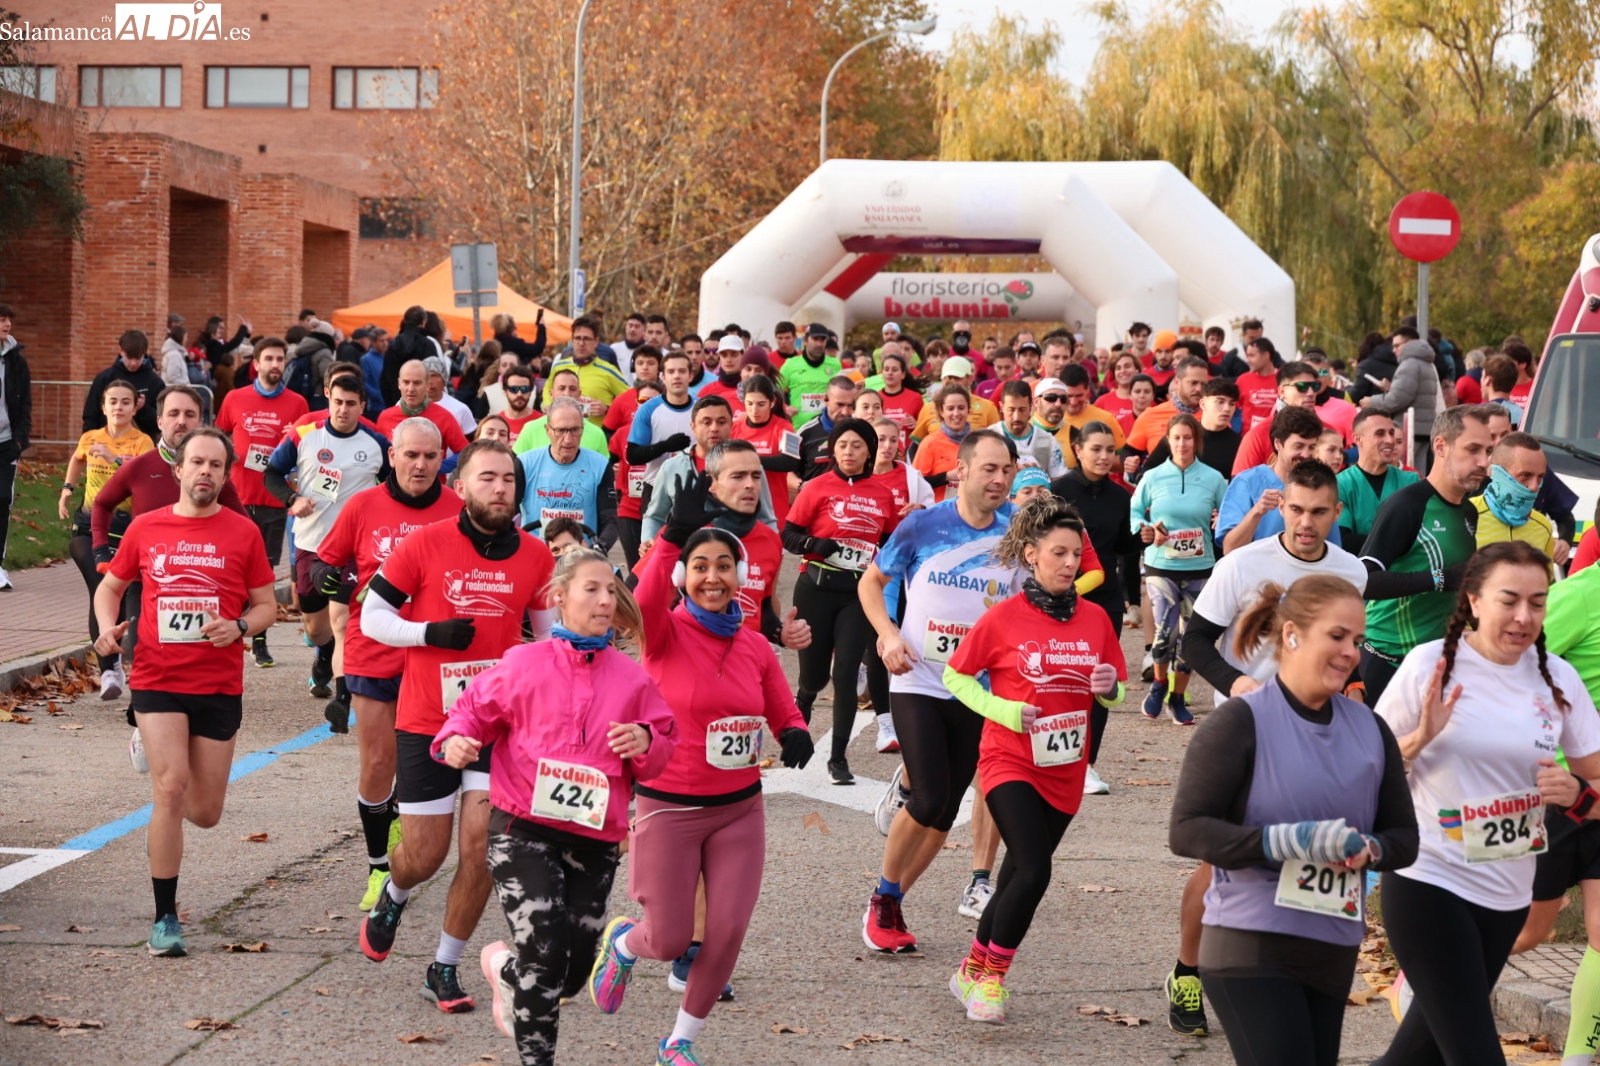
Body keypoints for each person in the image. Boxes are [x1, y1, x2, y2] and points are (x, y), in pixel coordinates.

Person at [428, 548, 676, 1066]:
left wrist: (647, 741)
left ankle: (507, 973)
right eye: (592, 589)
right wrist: (455, 742)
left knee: (574, 966)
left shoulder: (632, 680)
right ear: (559, 597)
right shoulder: (524, 663)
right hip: (522, 828)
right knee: (545, 947)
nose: (606, 600)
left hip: (594, 838)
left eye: (612, 590)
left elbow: (662, 750)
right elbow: (469, 713)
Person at [586, 511, 812, 1066]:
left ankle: (678, 1043)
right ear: (685, 575)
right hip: (670, 805)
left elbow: (778, 699)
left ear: (741, 575)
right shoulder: (662, 632)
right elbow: (644, 591)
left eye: (725, 567)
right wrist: (667, 541)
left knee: (726, 932)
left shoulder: (754, 643)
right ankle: (622, 943)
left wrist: (794, 730)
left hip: (739, 810)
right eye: (702, 567)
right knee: (666, 939)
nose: (714, 578)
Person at [1169, 574, 1417, 1063]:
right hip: (1251, 944)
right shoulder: (1240, 721)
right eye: (1337, 636)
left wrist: (1371, 849)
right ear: (1292, 635)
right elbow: (1187, 829)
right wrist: (1289, 841)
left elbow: (1404, 838)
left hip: (1332, 950)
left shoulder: (1371, 729)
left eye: (1358, 641)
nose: (1351, 652)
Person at [1372, 541, 1600, 1066]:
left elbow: (1594, 782)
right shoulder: (1431, 666)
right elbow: (1364, 769)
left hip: (1505, 896)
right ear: (1473, 600)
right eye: (1509, 600)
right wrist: (1418, 739)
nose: (1525, 617)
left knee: (1417, 1055)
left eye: (1538, 603)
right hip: (1430, 880)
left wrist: (1581, 796)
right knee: (1475, 1054)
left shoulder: (1557, 679)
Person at [358, 440, 556, 1012]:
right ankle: (394, 894)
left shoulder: (536, 557)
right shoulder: (425, 542)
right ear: (462, 487)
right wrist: (430, 634)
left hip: (496, 727)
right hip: (428, 721)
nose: (500, 488)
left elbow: (545, 640)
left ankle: (443, 966)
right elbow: (373, 616)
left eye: (509, 480)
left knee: (481, 848)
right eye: (487, 478)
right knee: (423, 855)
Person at [91, 427, 277, 957]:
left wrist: (240, 627)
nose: (205, 473)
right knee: (170, 789)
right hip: (157, 677)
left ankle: (153, 750)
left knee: (205, 811)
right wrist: (106, 630)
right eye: (197, 463)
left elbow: (266, 606)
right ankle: (165, 917)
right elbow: (111, 588)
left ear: (225, 474)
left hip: (217, 684)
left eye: (216, 466)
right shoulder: (148, 527)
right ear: (179, 469)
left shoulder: (242, 533)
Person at [943, 498, 1126, 1023]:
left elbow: (1112, 690)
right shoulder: (1002, 618)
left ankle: (970, 971)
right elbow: (956, 676)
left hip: (1066, 766)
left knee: (1017, 874)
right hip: (1009, 759)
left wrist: (1110, 689)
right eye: (1059, 553)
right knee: (1036, 868)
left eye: (1076, 554)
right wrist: (1001, 709)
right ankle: (993, 980)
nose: (1070, 563)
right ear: (1032, 555)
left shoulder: (1095, 619)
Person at [859, 432, 1022, 951]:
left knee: (947, 807)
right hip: (918, 677)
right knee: (929, 796)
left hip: (977, 690)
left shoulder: (1019, 532)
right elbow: (871, 581)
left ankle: (892, 903)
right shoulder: (924, 524)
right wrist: (887, 634)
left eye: (1007, 471)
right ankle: (882, 899)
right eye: (989, 469)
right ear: (962, 470)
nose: (998, 480)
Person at [311, 417, 462, 908]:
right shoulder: (363, 506)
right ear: (391, 456)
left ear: (443, 460)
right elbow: (324, 562)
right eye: (411, 455)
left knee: (422, 767)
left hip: (437, 655)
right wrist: (329, 580)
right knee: (378, 763)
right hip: (374, 650)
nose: (420, 465)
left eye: (430, 457)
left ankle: (405, 843)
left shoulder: (458, 510)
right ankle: (378, 868)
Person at [265, 375, 391, 714]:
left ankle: (343, 695)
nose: (343, 409)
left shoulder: (377, 442)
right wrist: (293, 498)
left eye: (351, 403)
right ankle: (324, 652)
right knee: (316, 627)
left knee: (343, 620)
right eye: (338, 402)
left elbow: (393, 486)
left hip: (354, 548)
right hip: (311, 543)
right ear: (328, 399)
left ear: (362, 406)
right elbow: (271, 473)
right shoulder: (305, 435)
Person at [783, 417, 899, 784]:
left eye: (857, 446)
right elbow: (788, 534)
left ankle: (838, 757)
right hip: (815, 587)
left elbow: (893, 543)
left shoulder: (883, 494)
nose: (849, 452)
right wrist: (812, 544)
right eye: (842, 445)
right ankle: (804, 696)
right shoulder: (816, 487)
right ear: (832, 448)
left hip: (857, 594)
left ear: (869, 452)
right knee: (815, 678)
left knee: (847, 671)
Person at [1358, 403, 1491, 705]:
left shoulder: (1469, 511)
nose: (1484, 462)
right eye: (1473, 449)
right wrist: (1441, 579)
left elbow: (1459, 588)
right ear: (1441, 446)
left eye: (1488, 451)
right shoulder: (1407, 505)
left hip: (1436, 663)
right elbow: (1366, 579)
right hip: (1387, 663)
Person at [1525, 550, 1600, 1066]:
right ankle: (1421, 977)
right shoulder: (1581, 594)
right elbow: (1509, 659)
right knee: (1530, 931)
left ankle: (1577, 1059)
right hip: (1555, 786)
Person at [1051, 419, 1140, 794]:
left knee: (1099, 681)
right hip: (1059, 596)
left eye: (1110, 450)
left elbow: (1123, 548)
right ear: (1079, 450)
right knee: (1058, 679)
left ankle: (1086, 764)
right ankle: (1052, 757)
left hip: (1103, 601)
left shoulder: (1122, 496)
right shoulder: (1059, 491)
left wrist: (1144, 537)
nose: (1105, 457)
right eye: (1097, 449)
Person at [213, 336, 309, 667]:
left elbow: (306, 453)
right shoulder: (234, 398)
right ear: (255, 364)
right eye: (268, 358)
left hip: (273, 498)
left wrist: (292, 438)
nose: (275, 365)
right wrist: (228, 457)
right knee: (229, 570)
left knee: (263, 574)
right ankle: (224, 634)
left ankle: (260, 641)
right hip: (235, 499)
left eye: (280, 359)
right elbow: (219, 435)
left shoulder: (298, 404)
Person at [1129, 414, 1229, 724]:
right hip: (1162, 564)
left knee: (1190, 638)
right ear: (1168, 441)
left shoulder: (1214, 478)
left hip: (1200, 567)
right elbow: (1134, 512)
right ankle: (1159, 684)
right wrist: (1146, 528)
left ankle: (1177, 697)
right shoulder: (1154, 476)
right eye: (1176, 438)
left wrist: (1219, 523)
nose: (1182, 444)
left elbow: (1227, 519)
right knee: (1165, 633)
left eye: (1188, 438)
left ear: (1196, 441)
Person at [61, 380, 153, 697]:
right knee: (99, 588)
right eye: (112, 401)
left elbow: (143, 473)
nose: (118, 407)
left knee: (121, 593)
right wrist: (66, 490)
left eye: (125, 402)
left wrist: (114, 457)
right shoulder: (91, 437)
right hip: (88, 526)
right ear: (103, 406)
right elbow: (77, 459)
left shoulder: (142, 442)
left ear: (134, 406)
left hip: (125, 528)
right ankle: (109, 671)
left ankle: (121, 659)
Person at [642, 395, 775, 544]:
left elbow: (766, 519)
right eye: (706, 422)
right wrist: (648, 539)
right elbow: (655, 516)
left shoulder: (750, 466)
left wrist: (771, 552)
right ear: (693, 426)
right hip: (685, 558)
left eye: (721, 422)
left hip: (742, 556)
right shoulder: (672, 467)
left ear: (732, 424)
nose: (714, 428)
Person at [1216, 406, 1331, 553]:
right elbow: (1230, 549)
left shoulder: (1321, 485)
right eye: (1298, 446)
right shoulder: (1247, 483)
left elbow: (1330, 548)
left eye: (1312, 447)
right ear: (1278, 444)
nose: (1306, 454)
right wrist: (1257, 512)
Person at [518, 398, 609, 538]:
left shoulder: (600, 465)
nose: (568, 439)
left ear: (583, 429)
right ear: (547, 430)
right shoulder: (525, 463)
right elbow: (507, 515)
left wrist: (599, 548)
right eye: (560, 430)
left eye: (575, 430)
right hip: (538, 553)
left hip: (582, 555)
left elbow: (610, 520)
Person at [1334, 410, 1416, 557]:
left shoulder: (1411, 481)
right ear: (1358, 439)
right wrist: (1400, 543)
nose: (1390, 440)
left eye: (1391, 433)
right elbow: (1343, 541)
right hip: (1360, 574)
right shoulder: (1340, 485)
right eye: (1380, 433)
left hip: (1409, 573)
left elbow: (1424, 537)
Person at [1472, 431, 1565, 561]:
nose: (1534, 486)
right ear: (1499, 474)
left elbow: (1546, 580)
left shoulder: (1543, 526)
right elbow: (1437, 574)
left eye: (1540, 477)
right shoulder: (1464, 516)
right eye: (1525, 476)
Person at [627, 349, 697, 507]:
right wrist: (665, 446)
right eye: (671, 371)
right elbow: (632, 456)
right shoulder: (648, 409)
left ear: (691, 376)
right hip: (656, 488)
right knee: (653, 533)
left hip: (694, 489)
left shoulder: (702, 409)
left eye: (682, 371)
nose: (677, 376)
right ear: (663, 377)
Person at [1360, 339, 1440, 473]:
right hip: (1425, 428)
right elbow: (1413, 394)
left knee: (1400, 472)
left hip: (1409, 429)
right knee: (1417, 472)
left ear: (1408, 342)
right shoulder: (1427, 363)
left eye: (1397, 345)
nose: (1393, 350)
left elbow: (1398, 398)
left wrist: (1372, 401)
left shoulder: (1409, 364)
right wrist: (1390, 388)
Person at [1231, 362, 1325, 475]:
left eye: (1315, 387)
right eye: (1302, 387)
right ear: (1282, 391)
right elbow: (1241, 486)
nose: (1311, 393)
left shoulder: (1327, 430)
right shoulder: (1259, 434)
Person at [731, 374, 800, 527]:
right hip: (740, 511)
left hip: (774, 511)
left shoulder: (785, 427)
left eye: (761, 404)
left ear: (772, 402)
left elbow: (790, 461)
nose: (754, 410)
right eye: (749, 404)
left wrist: (749, 459)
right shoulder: (734, 429)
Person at [1146, 379, 1241, 479]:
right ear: (1203, 404)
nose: (1227, 408)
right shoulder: (1181, 435)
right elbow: (1147, 472)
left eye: (1232, 404)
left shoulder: (1240, 445)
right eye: (1220, 402)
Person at [544, 316, 631, 426]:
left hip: (596, 437)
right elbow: (548, 387)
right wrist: (548, 405)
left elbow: (631, 399)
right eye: (577, 338)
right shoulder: (559, 366)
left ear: (596, 341)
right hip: (563, 434)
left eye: (586, 339)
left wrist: (608, 409)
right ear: (572, 340)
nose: (581, 343)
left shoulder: (608, 370)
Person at [84, 330, 165, 443]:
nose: (133, 363)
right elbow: (91, 415)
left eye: (137, 358)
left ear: (144, 354)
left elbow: (162, 423)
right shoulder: (104, 378)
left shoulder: (155, 382)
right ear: (121, 351)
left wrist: (143, 409)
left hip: (141, 447)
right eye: (129, 357)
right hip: (106, 444)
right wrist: (89, 443)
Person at [378, 360, 471, 459]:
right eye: (406, 382)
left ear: (427, 385)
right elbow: (378, 454)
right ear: (399, 384)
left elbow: (465, 453)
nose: (411, 388)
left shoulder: (444, 416)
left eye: (417, 383)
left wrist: (437, 466)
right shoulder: (385, 417)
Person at [0, 303, 30, 591]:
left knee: (1, 499)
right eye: (2, 319)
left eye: (9, 319)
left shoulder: (16, 360)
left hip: (7, 443)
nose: (7, 323)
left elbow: (25, 403)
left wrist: (19, 439)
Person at [1125, 356, 1210, 458]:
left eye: (1203, 384)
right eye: (1193, 383)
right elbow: (1129, 451)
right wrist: (1130, 462)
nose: (1198, 389)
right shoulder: (1150, 415)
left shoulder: (1213, 417)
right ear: (1177, 382)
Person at [517, 368, 608, 456]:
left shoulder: (597, 434)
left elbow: (603, 468)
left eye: (572, 389)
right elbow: (517, 467)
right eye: (561, 388)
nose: (567, 394)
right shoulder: (530, 429)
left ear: (579, 394)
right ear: (551, 394)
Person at [913, 384, 975, 503]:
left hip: (973, 513)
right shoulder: (930, 443)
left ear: (969, 409)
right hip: (939, 513)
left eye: (961, 408)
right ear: (941, 411)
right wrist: (947, 476)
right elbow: (914, 484)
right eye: (950, 408)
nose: (956, 413)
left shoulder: (978, 441)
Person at [996, 379, 1067, 478]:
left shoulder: (1048, 441)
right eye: (1011, 410)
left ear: (1030, 407)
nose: (1017, 417)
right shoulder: (988, 438)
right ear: (1001, 407)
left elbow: (1059, 482)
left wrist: (1039, 475)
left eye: (1022, 410)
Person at [778, 323, 843, 430]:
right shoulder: (790, 365)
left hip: (826, 429)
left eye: (822, 340)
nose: (819, 343)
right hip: (798, 429)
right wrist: (784, 408)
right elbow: (774, 391)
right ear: (805, 340)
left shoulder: (835, 365)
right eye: (815, 339)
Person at [795, 376, 859, 484]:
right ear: (825, 399)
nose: (845, 412)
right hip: (814, 499)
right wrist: (804, 488)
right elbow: (788, 473)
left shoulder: (861, 431)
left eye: (850, 405)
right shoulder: (806, 432)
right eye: (840, 404)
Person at [1234, 338, 1282, 433]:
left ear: (1266, 355)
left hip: (1276, 439)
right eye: (1247, 356)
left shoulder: (1284, 378)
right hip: (1248, 440)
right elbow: (1233, 410)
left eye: (1252, 356)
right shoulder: (1242, 380)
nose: (1248, 361)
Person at [425, 355, 477, 438]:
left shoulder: (460, 409)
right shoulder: (407, 407)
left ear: (444, 379)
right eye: (425, 376)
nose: (430, 381)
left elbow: (471, 442)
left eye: (435, 375)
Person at [496, 364, 543, 440]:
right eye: (514, 389)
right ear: (505, 391)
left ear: (530, 391)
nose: (519, 394)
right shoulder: (495, 423)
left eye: (524, 389)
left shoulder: (542, 422)